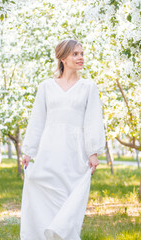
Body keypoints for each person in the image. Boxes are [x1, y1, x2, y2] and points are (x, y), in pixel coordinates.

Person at [20, 39, 106, 240]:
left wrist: (92, 153)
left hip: (75, 154)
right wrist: (28, 151)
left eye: (82, 53)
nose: (80, 57)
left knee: (70, 200)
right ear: (62, 57)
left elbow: (93, 121)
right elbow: (37, 120)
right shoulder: (46, 87)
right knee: (42, 193)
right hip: (49, 151)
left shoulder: (88, 87)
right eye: (75, 54)